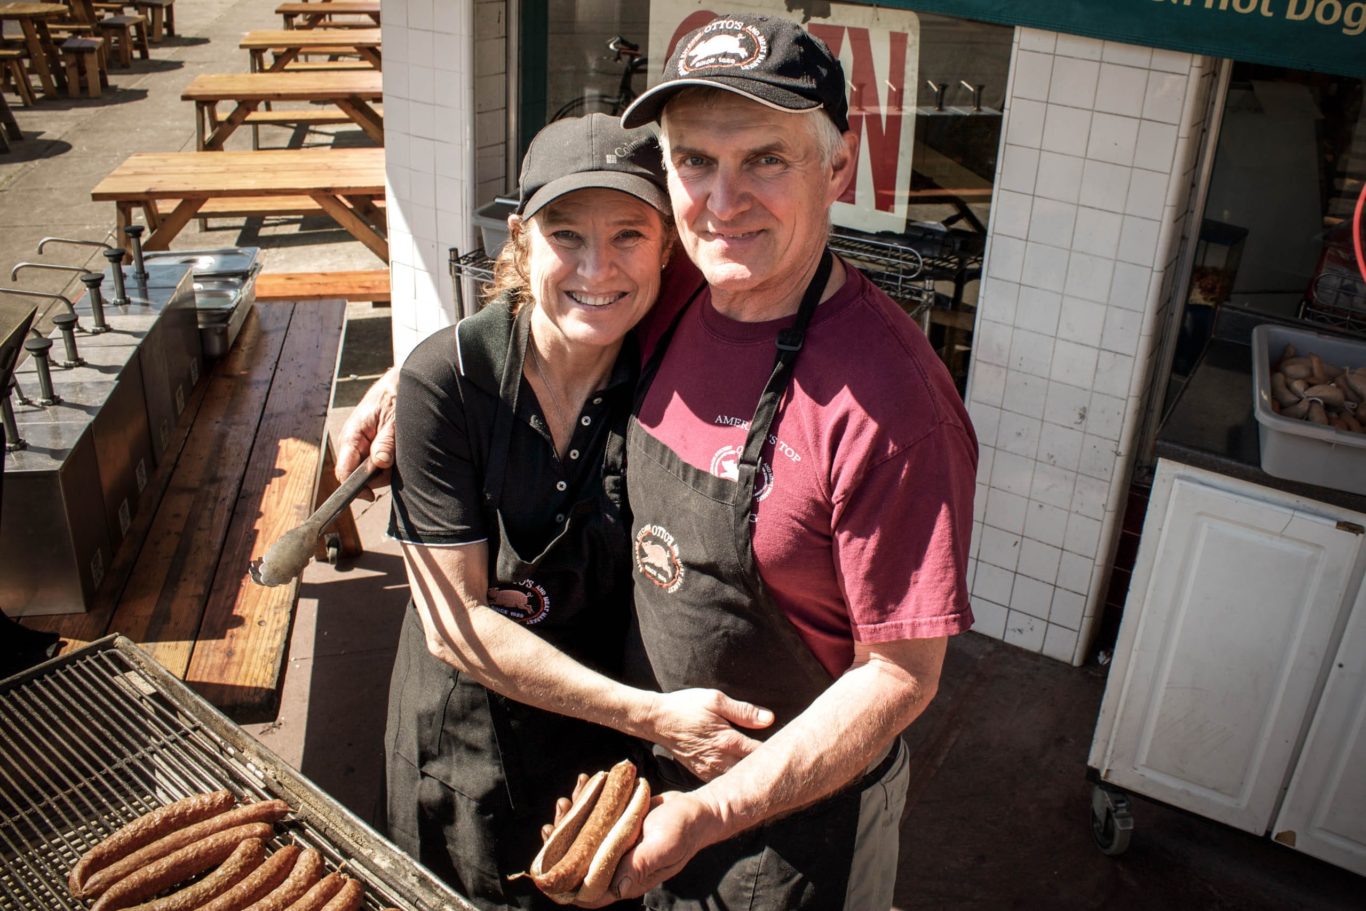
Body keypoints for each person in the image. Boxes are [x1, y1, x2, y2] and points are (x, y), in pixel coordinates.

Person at [341, 15, 977, 909]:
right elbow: (556, 293)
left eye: (766, 158)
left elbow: (902, 676)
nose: (724, 202)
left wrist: (712, 810)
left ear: (835, 169)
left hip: (795, 822)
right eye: (694, 162)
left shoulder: (894, 401)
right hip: (645, 785)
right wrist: (410, 381)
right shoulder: (682, 291)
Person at [382, 113, 774, 911]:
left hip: (597, 757)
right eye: (568, 236)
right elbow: (452, 622)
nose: (598, 268)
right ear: (522, 241)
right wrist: (661, 717)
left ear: (666, 247)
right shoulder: (448, 381)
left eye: (630, 235)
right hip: (463, 753)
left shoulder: (666, 369)